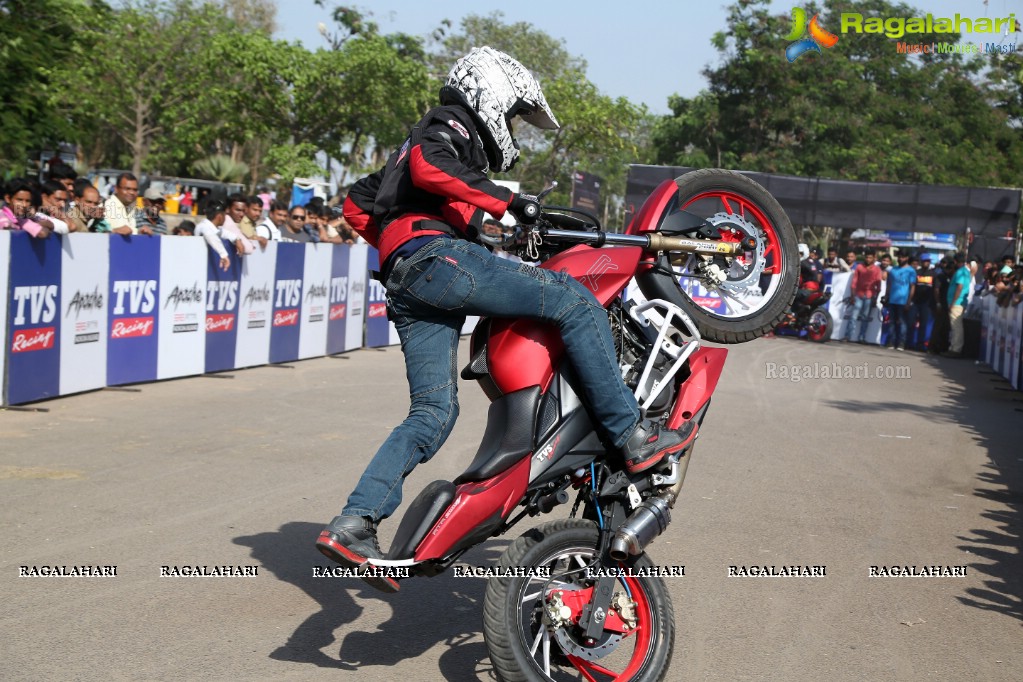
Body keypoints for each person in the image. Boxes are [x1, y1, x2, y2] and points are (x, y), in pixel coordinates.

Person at [317, 46, 696, 590]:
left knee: (432, 414)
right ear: (490, 92)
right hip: (435, 261)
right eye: (516, 113)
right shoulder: (450, 123)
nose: (514, 126)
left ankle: (355, 522)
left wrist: (420, 239)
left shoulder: (408, 154)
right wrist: (505, 205)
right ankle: (630, 436)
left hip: (408, 278)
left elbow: (358, 204)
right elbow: (431, 164)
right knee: (571, 300)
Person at [845, 251, 882, 343]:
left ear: (874, 258)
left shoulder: (877, 269)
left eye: (870, 258)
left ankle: (861, 337)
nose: (868, 259)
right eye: (867, 257)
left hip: (869, 295)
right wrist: (852, 296)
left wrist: (875, 299)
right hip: (858, 294)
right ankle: (848, 336)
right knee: (853, 316)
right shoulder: (859, 267)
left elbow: (878, 285)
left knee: (865, 318)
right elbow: (854, 282)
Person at [885, 251, 916, 351]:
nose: (900, 259)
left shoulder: (911, 271)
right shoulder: (893, 269)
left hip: (903, 301)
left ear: (906, 258)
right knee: (892, 322)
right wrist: (886, 296)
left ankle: (901, 343)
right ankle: (891, 342)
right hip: (892, 299)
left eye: (902, 257)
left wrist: (909, 301)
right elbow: (889, 284)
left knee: (902, 323)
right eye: (899, 257)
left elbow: (912, 287)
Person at [942, 252, 972, 358]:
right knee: (955, 326)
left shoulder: (961, 272)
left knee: (956, 326)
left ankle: (956, 349)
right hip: (959, 302)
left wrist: (953, 302)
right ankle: (953, 347)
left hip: (957, 302)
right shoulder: (965, 271)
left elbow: (959, 286)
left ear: (955, 261)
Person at [193, 201, 231, 271]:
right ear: (220, 216)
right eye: (225, 215)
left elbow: (226, 233)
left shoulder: (214, 229)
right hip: (198, 268)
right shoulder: (203, 226)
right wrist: (224, 254)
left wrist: (237, 239)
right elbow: (209, 235)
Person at [907, 254, 935, 351]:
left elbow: (936, 289)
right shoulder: (916, 272)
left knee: (923, 325)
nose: (926, 262)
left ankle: (920, 345)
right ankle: (909, 343)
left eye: (928, 261)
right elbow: (911, 287)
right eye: (925, 261)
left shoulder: (933, 274)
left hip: (926, 303)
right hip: (915, 302)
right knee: (911, 323)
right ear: (921, 262)